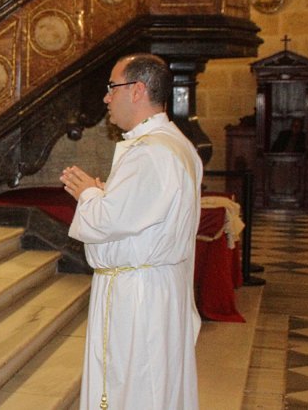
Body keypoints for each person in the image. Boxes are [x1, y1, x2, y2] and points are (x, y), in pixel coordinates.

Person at [60, 53, 202, 409]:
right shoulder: (176, 144)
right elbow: (141, 211)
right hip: (156, 286)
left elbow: (107, 222)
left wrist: (88, 193)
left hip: (138, 296)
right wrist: (107, 193)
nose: (107, 98)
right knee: (156, 386)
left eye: (112, 88)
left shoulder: (150, 152)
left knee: (137, 388)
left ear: (137, 90)